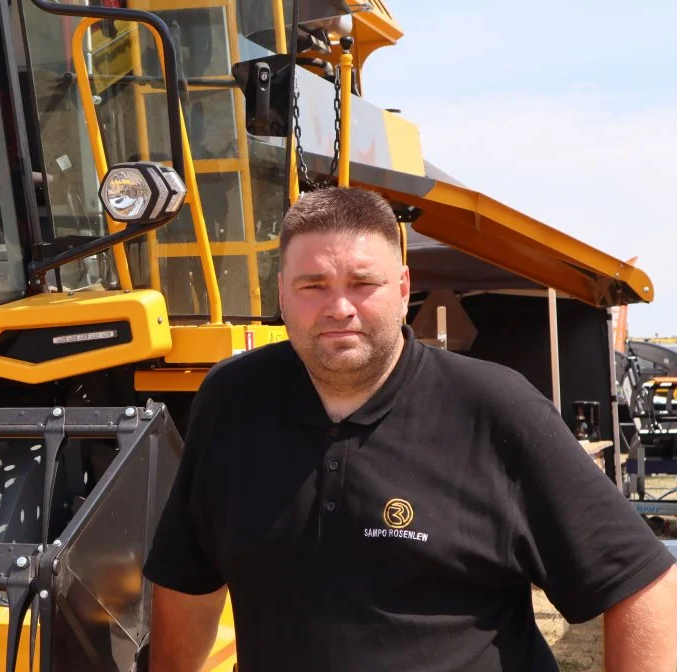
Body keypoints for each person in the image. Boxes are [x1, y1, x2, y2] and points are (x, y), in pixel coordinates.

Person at [141, 186, 677, 671]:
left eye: (362, 282)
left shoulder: (494, 408)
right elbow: (189, 580)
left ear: (403, 288)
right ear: (281, 293)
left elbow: (643, 583)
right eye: (313, 285)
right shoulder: (232, 400)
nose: (339, 307)